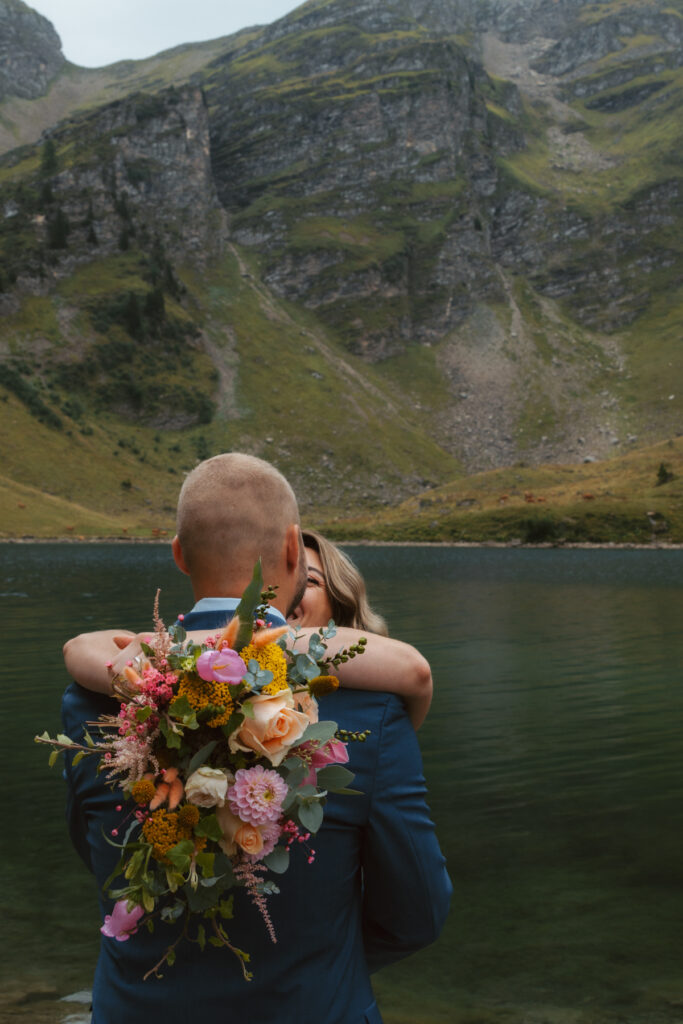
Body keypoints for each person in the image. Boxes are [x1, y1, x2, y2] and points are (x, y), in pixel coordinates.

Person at [61, 453, 452, 1024]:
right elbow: (418, 910)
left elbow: (94, 851)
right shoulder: (373, 709)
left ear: (178, 554)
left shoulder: (95, 697)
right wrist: (326, 959)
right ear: (294, 549)